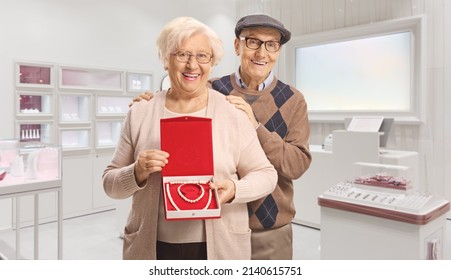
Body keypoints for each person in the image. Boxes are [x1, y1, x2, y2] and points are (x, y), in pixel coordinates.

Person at [131, 14, 312, 260]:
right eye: (253, 42)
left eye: (271, 45)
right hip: (215, 226)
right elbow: (180, 94)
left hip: (268, 226)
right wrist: (149, 102)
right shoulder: (212, 88)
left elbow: (297, 165)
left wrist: (255, 126)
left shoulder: (293, 99)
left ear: (278, 51)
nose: (262, 53)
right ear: (237, 45)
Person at [103, 16, 277, 260]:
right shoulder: (141, 112)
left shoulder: (232, 113)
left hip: (220, 246)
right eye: (182, 54)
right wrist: (136, 172)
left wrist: (235, 189)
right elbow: (110, 184)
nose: (192, 65)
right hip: (152, 246)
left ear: (212, 62)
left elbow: (267, 175)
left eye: (202, 56)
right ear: (166, 60)